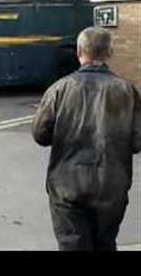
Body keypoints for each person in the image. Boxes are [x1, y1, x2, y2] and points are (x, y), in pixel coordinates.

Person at [32, 26, 141, 251]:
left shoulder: (59, 89)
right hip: (111, 185)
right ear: (109, 53)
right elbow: (138, 141)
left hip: (67, 187)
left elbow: (40, 135)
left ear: (79, 51)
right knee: (105, 244)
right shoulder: (127, 91)